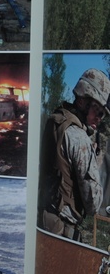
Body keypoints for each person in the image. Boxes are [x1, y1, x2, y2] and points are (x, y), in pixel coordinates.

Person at [39, 68, 110, 241]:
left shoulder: (56, 119)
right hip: (61, 229)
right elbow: (93, 203)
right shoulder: (79, 138)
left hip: (44, 215)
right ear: (84, 101)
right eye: (98, 111)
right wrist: (96, 160)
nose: (100, 118)